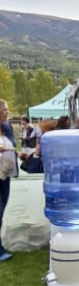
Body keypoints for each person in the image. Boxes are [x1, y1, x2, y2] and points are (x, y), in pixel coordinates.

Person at [0, 99, 16, 261]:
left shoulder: (7, 127)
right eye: (5, 110)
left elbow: (12, 146)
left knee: (2, 210)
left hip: (6, 174)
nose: (7, 112)